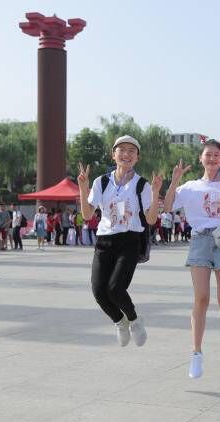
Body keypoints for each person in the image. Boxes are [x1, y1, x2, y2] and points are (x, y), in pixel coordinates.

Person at [163, 138, 220, 379]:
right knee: (201, 298)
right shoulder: (190, 187)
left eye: (216, 155)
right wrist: (175, 180)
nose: (212, 159)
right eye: (208, 155)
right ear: (201, 158)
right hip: (200, 241)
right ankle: (196, 353)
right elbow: (167, 207)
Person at [78, 135, 161, 347]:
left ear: (137, 157)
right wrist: (83, 188)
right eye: (122, 150)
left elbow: (151, 219)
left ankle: (134, 320)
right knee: (99, 291)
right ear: (113, 155)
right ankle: (120, 321)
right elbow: (87, 215)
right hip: (104, 241)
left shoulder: (141, 184)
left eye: (131, 151)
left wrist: (155, 193)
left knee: (115, 288)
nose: (126, 154)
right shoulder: (101, 182)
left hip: (129, 241)